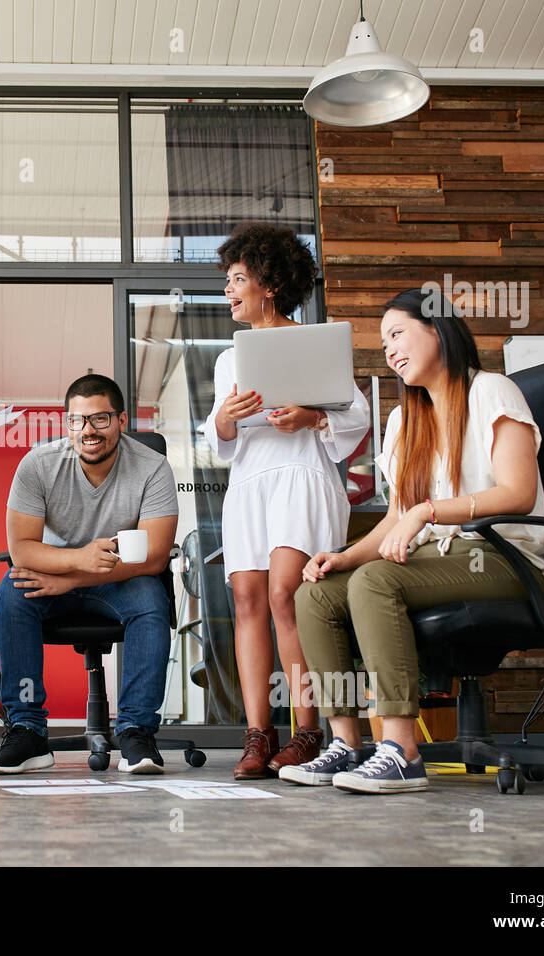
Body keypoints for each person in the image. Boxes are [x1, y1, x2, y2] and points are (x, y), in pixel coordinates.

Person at [281, 288, 544, 794]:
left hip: (505, 558)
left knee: (378, 582)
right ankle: (347, 744)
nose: (389, 350)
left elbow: (518, 493)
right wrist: (342, 558)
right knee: (315, 593)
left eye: (397, 334)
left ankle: (402, 750)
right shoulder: (406, 419)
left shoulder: (491, 390)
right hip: (438, 560)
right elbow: (397, 519)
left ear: (438, 329)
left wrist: (430, 511)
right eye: (383, 343)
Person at [205, 223, 370, 779]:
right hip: (250, 484)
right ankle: (257, 734)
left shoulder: (316, 342)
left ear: (268, 285)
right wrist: (225, 421)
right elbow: (218, 435)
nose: (228, 292)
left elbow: (357, 416)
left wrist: (312, 416)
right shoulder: (230, 358)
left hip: (302, 476)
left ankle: (307, 730)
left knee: (287, 596)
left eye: (236, 280)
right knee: (247, 599)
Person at [0, 374, 179, 775]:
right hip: (60, 571)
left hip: (121, 578)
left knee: (150, 597)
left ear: (122, 420)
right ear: (67, 423)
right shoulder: (38, 464)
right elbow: (22, 549)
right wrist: (78, 559)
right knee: (13, 589)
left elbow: (155, 557)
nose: (88, 431)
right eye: (77, 420)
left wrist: (71, 578)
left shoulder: (153, 467)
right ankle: (28, 732)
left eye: (100, 419)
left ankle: (136, 732)